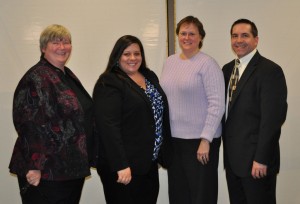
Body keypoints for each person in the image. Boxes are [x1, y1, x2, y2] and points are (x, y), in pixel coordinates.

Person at [9, 24, 94, 204]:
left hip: (69, 169)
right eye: (56, 42)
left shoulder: (65, 75)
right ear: (43, 47)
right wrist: (34, 166)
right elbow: (29, 124)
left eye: (66, 42)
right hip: (47, 172)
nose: (62, 47)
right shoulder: (37, 77)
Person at [93, 35, 172, 204]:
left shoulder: (149, 76)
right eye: (126, 54)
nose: (133, 58)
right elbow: (108, 126)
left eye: (137, 53)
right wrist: (120, 165)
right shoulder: (109, 82)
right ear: (117, 57)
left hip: (148, 163)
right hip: (124, 166)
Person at [160, 16, 225, 204]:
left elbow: (217, 104)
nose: (187, 37)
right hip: (174, 141)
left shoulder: (208, 64)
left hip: (200, 142)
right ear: (178, 36)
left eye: (192, 33)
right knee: (179, 194)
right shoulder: (170, 62)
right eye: (183, 33)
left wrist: (206, 140)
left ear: (200, 38)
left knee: (201, 195)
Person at [222, 18, 288, 204]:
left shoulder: (270, 71)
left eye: (245, 35)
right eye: (235, 36)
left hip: (256, 163)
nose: (239, 40)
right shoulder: (227, 70)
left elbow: (273, 120)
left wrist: (261, 159)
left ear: (256, 40)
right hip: (233, 162)